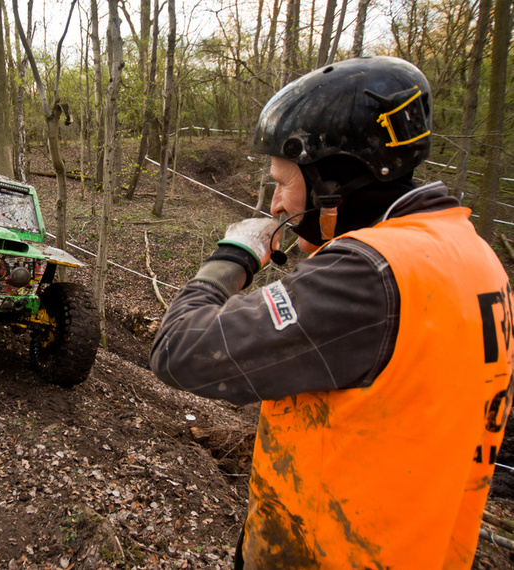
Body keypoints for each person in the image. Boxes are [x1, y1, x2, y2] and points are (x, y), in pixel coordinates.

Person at [150, 56, 514, 569]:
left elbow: (178, 350)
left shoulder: (370, 275)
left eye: (282, 181)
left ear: (334, 181)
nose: (276, 204)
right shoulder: (473, 255)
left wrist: (230, 257)